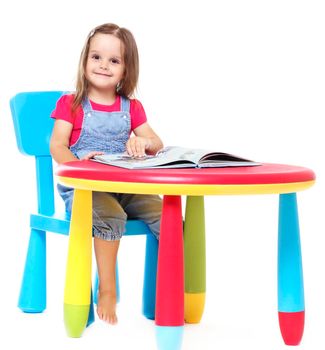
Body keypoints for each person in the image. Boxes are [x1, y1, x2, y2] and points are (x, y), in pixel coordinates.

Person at [50, 23, 163, 325]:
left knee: (167, 214)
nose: (103, 65)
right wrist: (77, 164)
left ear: (126, 70)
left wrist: (144, 142)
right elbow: (57, 146)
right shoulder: (71, 104)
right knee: (111, 215)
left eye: (114, 60)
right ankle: (108, 290)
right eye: (96, 57)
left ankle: (169, 289)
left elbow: (157, 144)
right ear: (85, 61)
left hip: (127, 188)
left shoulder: (132, 107)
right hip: (86, 191)